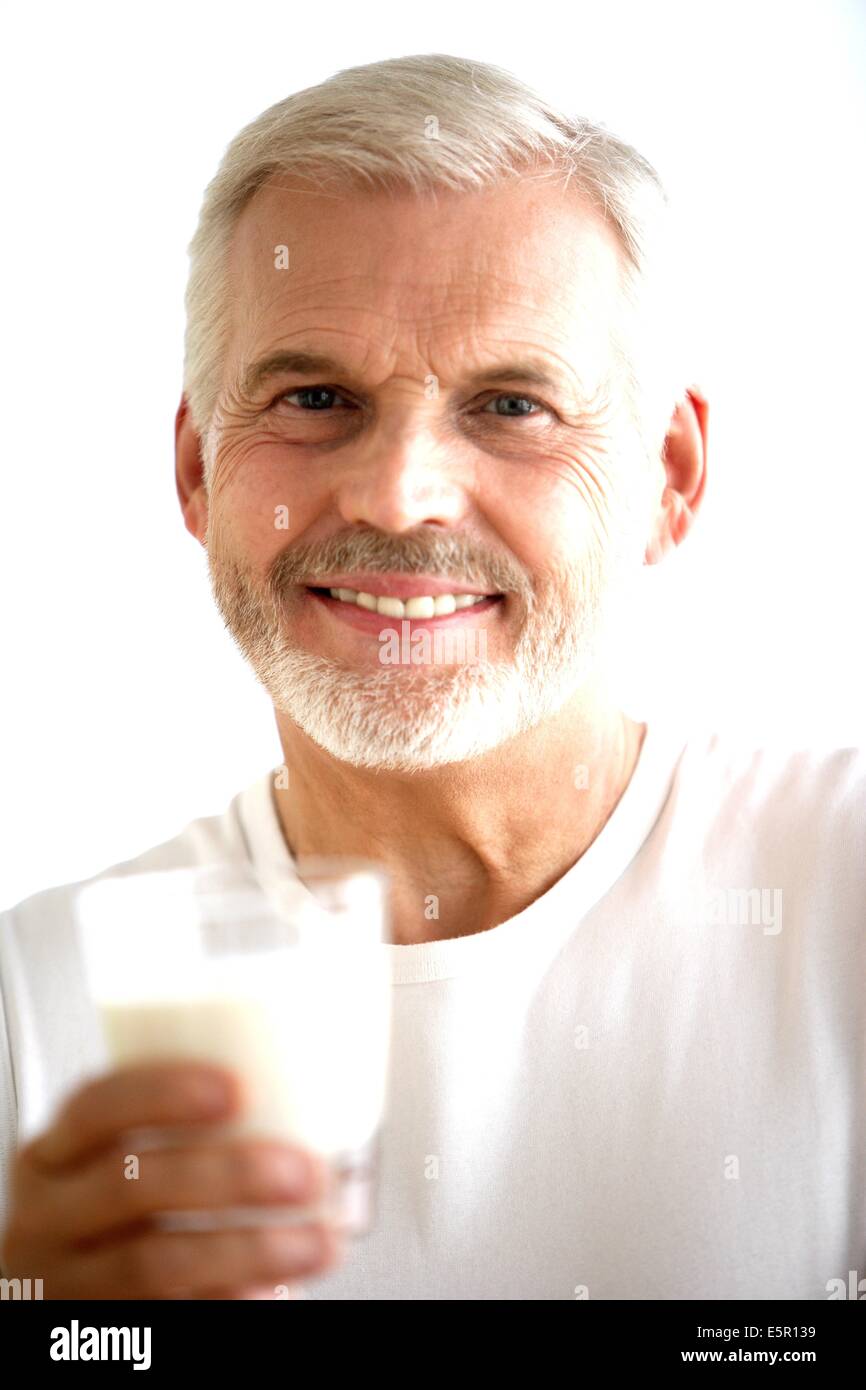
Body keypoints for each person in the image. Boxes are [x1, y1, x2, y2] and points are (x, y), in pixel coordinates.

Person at [1, 53, 863, 1301]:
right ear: (196, 473)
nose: (398, 497)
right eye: (312, 396)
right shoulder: (35, 1011)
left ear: (668, 478)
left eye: (510, 404)